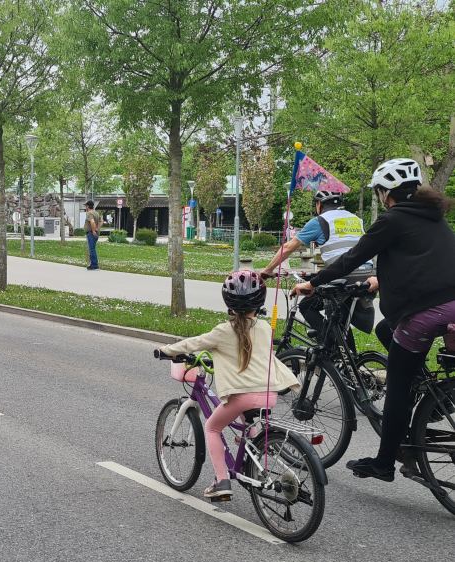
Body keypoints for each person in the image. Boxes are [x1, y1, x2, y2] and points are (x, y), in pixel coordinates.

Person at [292, 158, 455, 482]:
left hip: (425, 311)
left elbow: (353, 257)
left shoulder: (392, 219)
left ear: (385, 193)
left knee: (397, 387)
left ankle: (384, 463)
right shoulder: (434, 218)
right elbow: (421, 259)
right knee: (384, 329)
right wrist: (378, 281)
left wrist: (313, 283)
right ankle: (431, 394)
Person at [160, 270, 300, 499]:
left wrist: (165, 350)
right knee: (246, 419)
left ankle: (222, 481)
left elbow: (194, 343)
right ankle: (253, 439)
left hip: (243, 396)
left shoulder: (223, 331)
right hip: (268, 394)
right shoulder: (265, 328)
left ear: (229, 303)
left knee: (212, 428)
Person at [261, 189, 374, 336]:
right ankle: (346, 353)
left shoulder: (320, 221)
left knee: (307, 305)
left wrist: (268, 270)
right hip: (367, 274)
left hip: (344, 275)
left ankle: (328, 347)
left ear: (319, 204)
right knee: (340, 318)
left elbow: (289, 247)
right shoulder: (355, 219)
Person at [84, 200, 101, 270]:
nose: (85, 207)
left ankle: (94, 265)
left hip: (91, 233)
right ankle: (94, 264)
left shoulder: (89, 213)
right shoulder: (96, 213)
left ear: (88, 206)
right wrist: (97, 228)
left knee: (91, 249)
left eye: (86, 206)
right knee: (93, 249)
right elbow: (101, 221)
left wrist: (93, 231)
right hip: (95, 233)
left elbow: (92, 222)